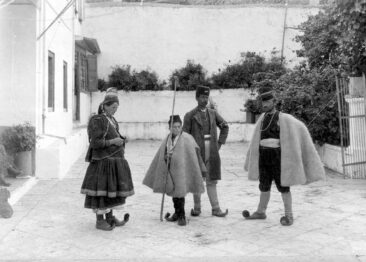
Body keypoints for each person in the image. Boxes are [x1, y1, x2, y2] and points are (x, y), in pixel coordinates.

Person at [243, 84, 325, 226]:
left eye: (268, 102)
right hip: (263, 156)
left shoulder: (284, 118)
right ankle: (261, 212)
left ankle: (289, 215)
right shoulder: (262, 118)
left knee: (283, 186)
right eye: (263, 102)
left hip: (277, 157)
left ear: (274, 102)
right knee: (264, 185)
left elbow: (300, 127)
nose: (265, 105)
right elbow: (255, 140)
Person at [81, 88, 134, 231]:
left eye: (117, 108)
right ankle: (100, 221)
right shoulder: (97, 120)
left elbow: (113, 137)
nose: (115, 110)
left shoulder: (112, 120)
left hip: (113, 162)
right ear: (104, 105)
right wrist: (113, 142)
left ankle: (110, 218)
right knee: (102, 192)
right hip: (102, 163)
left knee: (111, 191)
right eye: (113, 107)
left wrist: (122, 140)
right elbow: (95, 143)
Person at [143, 115, 206, 226]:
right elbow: (162, 153)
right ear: (169, 128)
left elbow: (194, 152)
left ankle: (182, 215)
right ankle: (176, 212)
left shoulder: (187, 138)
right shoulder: (167, 139)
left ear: (181, 126)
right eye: (174, 127)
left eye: (178, 126)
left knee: (180, 192)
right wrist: (166, 157)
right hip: (171, 169)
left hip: (182, 170)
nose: (176, 129)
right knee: (173, 191)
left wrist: (200, 168)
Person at [183, 85, 229, 217]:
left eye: (206, 97)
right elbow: (185, 136)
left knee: (212, 180)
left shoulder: (213, 114)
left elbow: (225, 126)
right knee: (197, 179)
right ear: (196, 98)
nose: (204, 100)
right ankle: (197, 209)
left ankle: (216, 208)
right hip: (196, 151)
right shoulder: (190, 115)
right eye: (202, 97)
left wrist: (219, 143)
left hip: (212, 150)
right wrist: (189, 151)